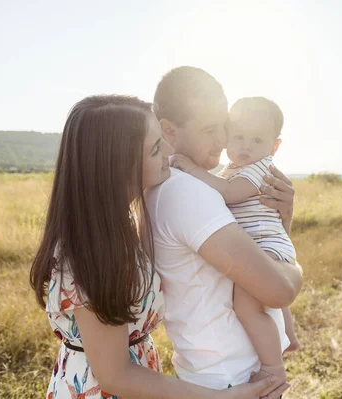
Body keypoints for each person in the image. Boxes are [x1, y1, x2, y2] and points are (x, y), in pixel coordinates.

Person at [30, 95, 282, 399]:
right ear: (117, 165)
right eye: (154, 147)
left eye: (162, 139)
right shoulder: (90, 250)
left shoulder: (120, 221)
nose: (169, 149)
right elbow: (114, 375)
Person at [148, 67, 303, 396]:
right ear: (169, 130)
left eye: (225, 127)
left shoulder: (179, 184)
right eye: (209, 129)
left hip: (222, 370)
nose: (223, 140)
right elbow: (278, 289)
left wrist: (281, 220)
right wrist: (295, 268)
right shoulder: (188, 190)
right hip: (230, 376)